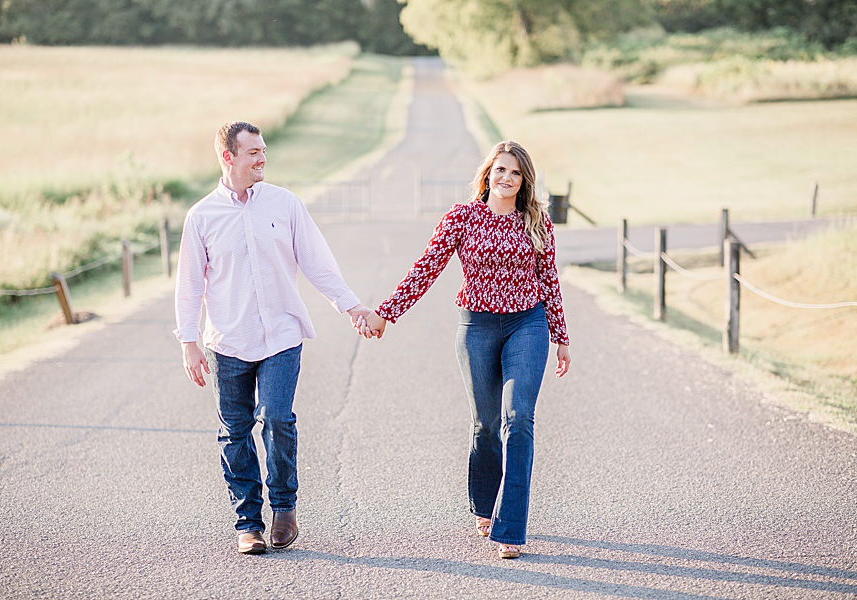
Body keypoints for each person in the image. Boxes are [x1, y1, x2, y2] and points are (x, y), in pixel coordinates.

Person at [358, 141, 572, 560]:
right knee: (486, 425)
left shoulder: (536, 222)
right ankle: (484, 504)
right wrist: (387, 313)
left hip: (527, 325)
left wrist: (560, 335)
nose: (507, 178)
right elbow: (426, 268)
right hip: (476, 327)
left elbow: (549, 280)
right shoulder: (462, 217)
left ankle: (510, 528)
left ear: (524, 180)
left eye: (516, 173)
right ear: (488, 173)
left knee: (518, 419)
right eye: (501, 170)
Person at [174, 121, 373, 555]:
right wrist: (188, 341)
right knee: (235, 432)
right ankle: (248, 523)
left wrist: (352, 305)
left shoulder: (285, 204)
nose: (262, 158)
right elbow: (190, 284)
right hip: (228, 341)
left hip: (282, 333)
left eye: (263, 151)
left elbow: (317, 263)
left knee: (278, 418)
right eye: (253, 153)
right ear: (228, 157)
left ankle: (285, 508)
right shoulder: (202, 217)